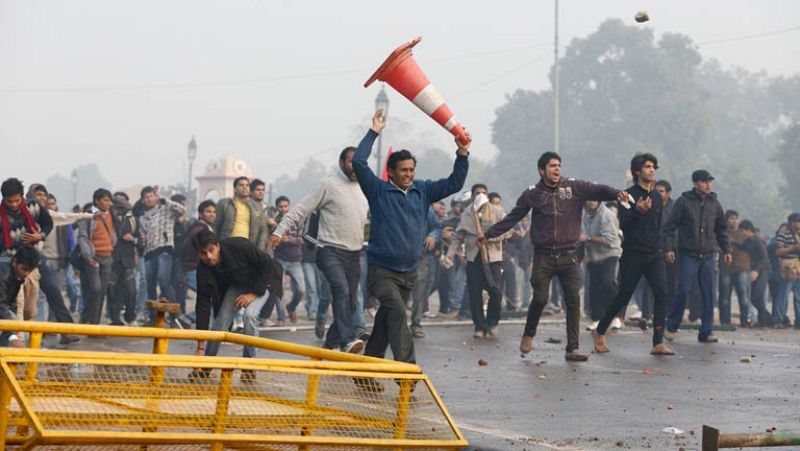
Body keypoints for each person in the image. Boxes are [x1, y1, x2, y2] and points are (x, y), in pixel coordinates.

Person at [353, 109, 470, 380]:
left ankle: (364, 373)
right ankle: (408, 373)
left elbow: (455, 182)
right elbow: (359, 162)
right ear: (391, 172)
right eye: (403, 170)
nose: (408, 174)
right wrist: (374, 132)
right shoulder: (378, 190)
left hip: (409, 271)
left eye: (411, 170)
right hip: (381, 270)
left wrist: (462, 154)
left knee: (385, 322)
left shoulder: (423, 190)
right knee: (396, 312)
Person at [480, 151, 630, 362]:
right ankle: (529, 334)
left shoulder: (574, 187)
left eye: (559, 165)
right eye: (552, 166)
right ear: (542, 170)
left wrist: (617, 193)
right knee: (540, 298)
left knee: (572, 301)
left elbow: (598, 189)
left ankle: (573, 348)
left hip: (569, 255)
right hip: (544, 256)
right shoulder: (532, 194)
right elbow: (513, 217)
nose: (557, 169)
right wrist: (488, 234)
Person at [270, 147, 370, 353]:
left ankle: (328, 346)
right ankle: (347, 341)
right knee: (340, 291)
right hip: (329, 251)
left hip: (354, 253)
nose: (355, 166)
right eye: (351, 161)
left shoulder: (365, 186)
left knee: (351, 303)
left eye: (358, 161)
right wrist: (278, 232)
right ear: (342, 163)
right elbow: (300, 209)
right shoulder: (328, 184)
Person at [592, 154, 674, 355]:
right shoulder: (626, 196)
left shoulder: (656, 196)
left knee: (662, 294)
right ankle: (600, 330)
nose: (652, 170)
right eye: (647, 166)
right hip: (633, 254)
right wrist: (638, 210)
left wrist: (663, 248)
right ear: (637, 171)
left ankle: (657, 343)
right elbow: (625, 225)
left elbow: (658, 227)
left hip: (654, 254)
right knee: (623, 296)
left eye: (654, 166)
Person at [191, 230, 282, 382]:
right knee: (220, 322)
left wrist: (253, 294)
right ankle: (205, 366)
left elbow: (268, 264)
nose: (209, 257)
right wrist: (200, 347)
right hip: (239, 284)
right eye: (203, 253)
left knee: (250, 315)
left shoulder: (239, 245)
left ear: (218, 246)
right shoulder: (203, 268)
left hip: (264, 279)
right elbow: (203, 305)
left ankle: (249, 367)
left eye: (211, 250)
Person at [663, 170, 732, 343]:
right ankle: (671, 326)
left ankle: (706, 332)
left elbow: (722, 229)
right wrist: (669, 248)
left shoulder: (715, 204)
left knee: (709, 294)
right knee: (684, 289)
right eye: (704, 181)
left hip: (708, 255)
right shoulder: (683, 202)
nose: (708, 184)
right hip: (688, 254)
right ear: (695, 184)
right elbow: (669, 228)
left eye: (710, 181)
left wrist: (727, 250)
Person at [446, 184, 508, 338]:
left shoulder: (497, 211)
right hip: (474, 257)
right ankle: (479, 326)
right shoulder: (466, 214)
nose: (481, 195)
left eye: (483, 193)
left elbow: (507, 232)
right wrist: (450, 253)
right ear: (472, 196)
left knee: (496, 292)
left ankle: (493, 322)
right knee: (474, 294)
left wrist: (488, 238)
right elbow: (459, 236)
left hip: (493, 258)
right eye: (477, 193)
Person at [139, 186, 186, 309]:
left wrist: (164, 199)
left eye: (151, 196)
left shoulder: (165, 210)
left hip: (164, 250)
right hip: (149, 253)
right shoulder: (142, 217)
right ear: (143, 200)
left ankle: (174, 314)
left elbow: (181, 209)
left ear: (156, 197)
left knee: (164, 281)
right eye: (146, 197)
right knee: (150, 286)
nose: (149, 199)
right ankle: (152, 317)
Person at [581, 199, 622, 332]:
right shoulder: (584, 214)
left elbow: (610, 239)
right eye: (589, 199)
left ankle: (617, 315)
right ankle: (596, 319)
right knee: (594, 288)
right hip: (593, 255)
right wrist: (585, 256)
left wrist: (589, 238)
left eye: (594, 199)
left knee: (608, 282)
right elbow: (580, 236)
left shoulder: (606, 214)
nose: (591, 202)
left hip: (610, 253)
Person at [76, 189, 116, 326]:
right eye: (105, 200)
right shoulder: (87, 216)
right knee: (95, 289)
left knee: (102, 292)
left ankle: (94, 324)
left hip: (108, 256)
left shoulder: (112, 213)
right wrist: (88, 256)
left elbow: (126, 205)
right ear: (97, 201)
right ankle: (85, 316)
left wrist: (113, 200)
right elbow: (82, 237)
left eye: (109, 200)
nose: (108, 203)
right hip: (93, 257)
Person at [271, 195, 306, 324]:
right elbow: (270, 241)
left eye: (285, 206)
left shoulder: (297, 220)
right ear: (277, 208)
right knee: (279, 291)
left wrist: (288, 240)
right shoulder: (274, 222)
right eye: (280, 207)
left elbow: (302, 238)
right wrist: (278, 240)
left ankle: (291, 307)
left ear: (289, 206)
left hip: (295, 260)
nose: (283, 209)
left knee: (301, 290)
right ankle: (281, 318)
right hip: (280, 259)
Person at [106, 192, 139, 326]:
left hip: (127, 260)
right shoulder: (108, 218)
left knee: (131, 290)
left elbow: (141, 240)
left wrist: (134, 240)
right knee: (112, 290)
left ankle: (130, 316)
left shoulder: (132, 220)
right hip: (112, 260)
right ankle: (115, 319)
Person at [0, 246, 40, 347]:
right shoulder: (3, 275)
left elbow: (11, 303)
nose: (26, 274)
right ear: (15, 262)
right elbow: (1, 305)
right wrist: (12, 336)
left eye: (29, 271)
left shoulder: (16, 274)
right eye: (24, 269)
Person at [718, 210, 752, 327]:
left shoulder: (743, 233)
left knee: (743, 295)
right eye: (731, 218)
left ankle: (745, 320)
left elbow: (750, 247)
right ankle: (725, 321)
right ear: (726, 220)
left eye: (736, 218)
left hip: (742, 267)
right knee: (725, 297)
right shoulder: (721, 233)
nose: (734, 221)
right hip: (726, 268)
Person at [216, 176, 268, 250]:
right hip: (227, 245)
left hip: (247, 247)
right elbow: (216, 225)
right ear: (235, 189)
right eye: (241, 185)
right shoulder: (225, 204)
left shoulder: (256, 207)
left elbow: (263, 229)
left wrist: (260, 249)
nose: (245, 187)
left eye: (247, 185)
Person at [738, 220, 771, 327]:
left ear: (748, 230)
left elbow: (764, 258)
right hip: (754, 270)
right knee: (753, 298)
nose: (741, 234)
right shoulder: (747, 242)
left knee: (758, 295)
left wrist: (756, 271)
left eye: (742, 231)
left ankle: (763, 322)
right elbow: (739, 246)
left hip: (763, 270)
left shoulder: (757, 241)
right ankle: (768, 318)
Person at [773, 212, 800, 329]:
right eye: (797, 222)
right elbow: (778, 251)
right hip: (788, 265)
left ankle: (798, 321)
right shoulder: (783, 233)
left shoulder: (798, 233)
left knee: (798, 296)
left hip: (798, 264)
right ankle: (779, 320)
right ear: (792, 222)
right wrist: (794, 248)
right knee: (783, 294)